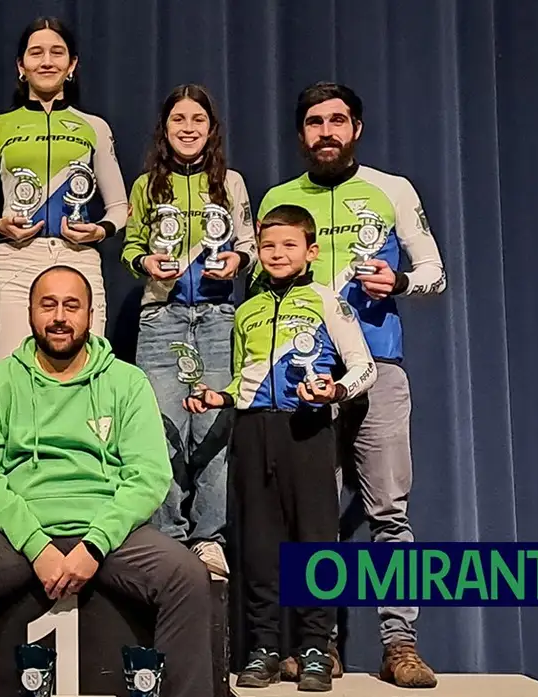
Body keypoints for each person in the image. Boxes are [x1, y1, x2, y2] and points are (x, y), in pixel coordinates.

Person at [0, 266, 214, 697]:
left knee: (188, 578)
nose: (59, 316)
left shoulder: (125, 381)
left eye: (71, 305)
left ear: (90, 314)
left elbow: (149, 476)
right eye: (48, 304)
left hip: (108, 530)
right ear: (29, 313)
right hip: (20, 529)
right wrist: (37, 546)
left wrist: (95, 544)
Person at [255, 82, 445, 687]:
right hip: (304, 377)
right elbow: (266, 292)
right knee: (315, 517)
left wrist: (403, 282)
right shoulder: (279, 198)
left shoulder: (393, 189)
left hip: (378, 369)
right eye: (314, 122)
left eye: (338, 120)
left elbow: (435, 272)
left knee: (390, 511)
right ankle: (322, 646)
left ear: (356, 128)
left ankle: (400, 646)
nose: (326, 132)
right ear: (301, 134)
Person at [186, 205, 376, 693]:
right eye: (268, 245)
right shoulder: (246, 309)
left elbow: (364, 367)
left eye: (289, 245)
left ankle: (314, 647)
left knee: (314, 542)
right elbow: (242, 378)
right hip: (252, 433)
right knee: (259, 546)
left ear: (311, 251)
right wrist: (218, 397)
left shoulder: (327, 301)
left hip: (308, 431)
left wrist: (335, 391)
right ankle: (264, 648)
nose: (277, 253)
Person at [121, 84, 256, 577]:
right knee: (162, 431)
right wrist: (145, 261)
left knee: (215, 431)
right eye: (178, 119)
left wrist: (238, 261)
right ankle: (168, 535)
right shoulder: (145, 187)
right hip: (162, 316)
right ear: (165, 128)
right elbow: (129, 247)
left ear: (212, 130)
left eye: (197, 119)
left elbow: (251, 247)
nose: (188, 128)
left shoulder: (232, 184)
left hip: (220, 317)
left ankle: (209, 538)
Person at [0, 16, 128, 363]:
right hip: (13, 261)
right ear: (21, 66)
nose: (47, 61)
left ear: (72, 65)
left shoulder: (95, 127)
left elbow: (119, 207)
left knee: (85, 377)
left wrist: (99, 230)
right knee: (10, 375)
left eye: (57, 52)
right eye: (36, 53)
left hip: (78, 258)